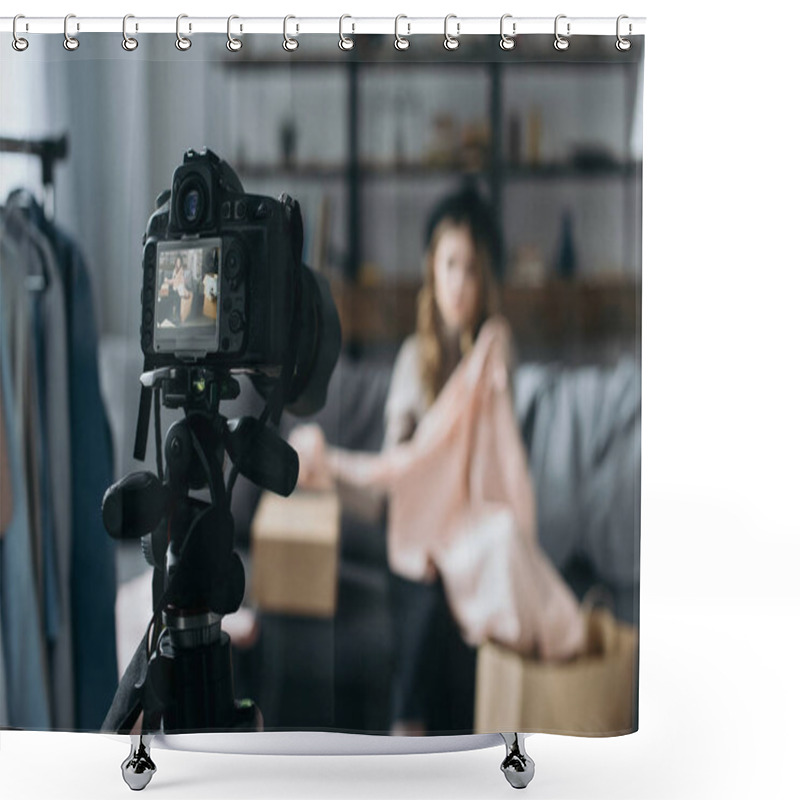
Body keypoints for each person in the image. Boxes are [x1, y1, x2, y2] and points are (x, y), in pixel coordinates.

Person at [290, 184, 511, 736]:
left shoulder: (495, 357)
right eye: (450, 265)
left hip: (470, 532)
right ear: (431, 270)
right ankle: (408, 728)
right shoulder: (416, 361)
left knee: (471, 571)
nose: (460, 283)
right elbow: (397, 475)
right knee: (433, 580)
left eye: (473, 269)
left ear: (487, 281)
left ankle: (445, 737)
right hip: (412, 532)